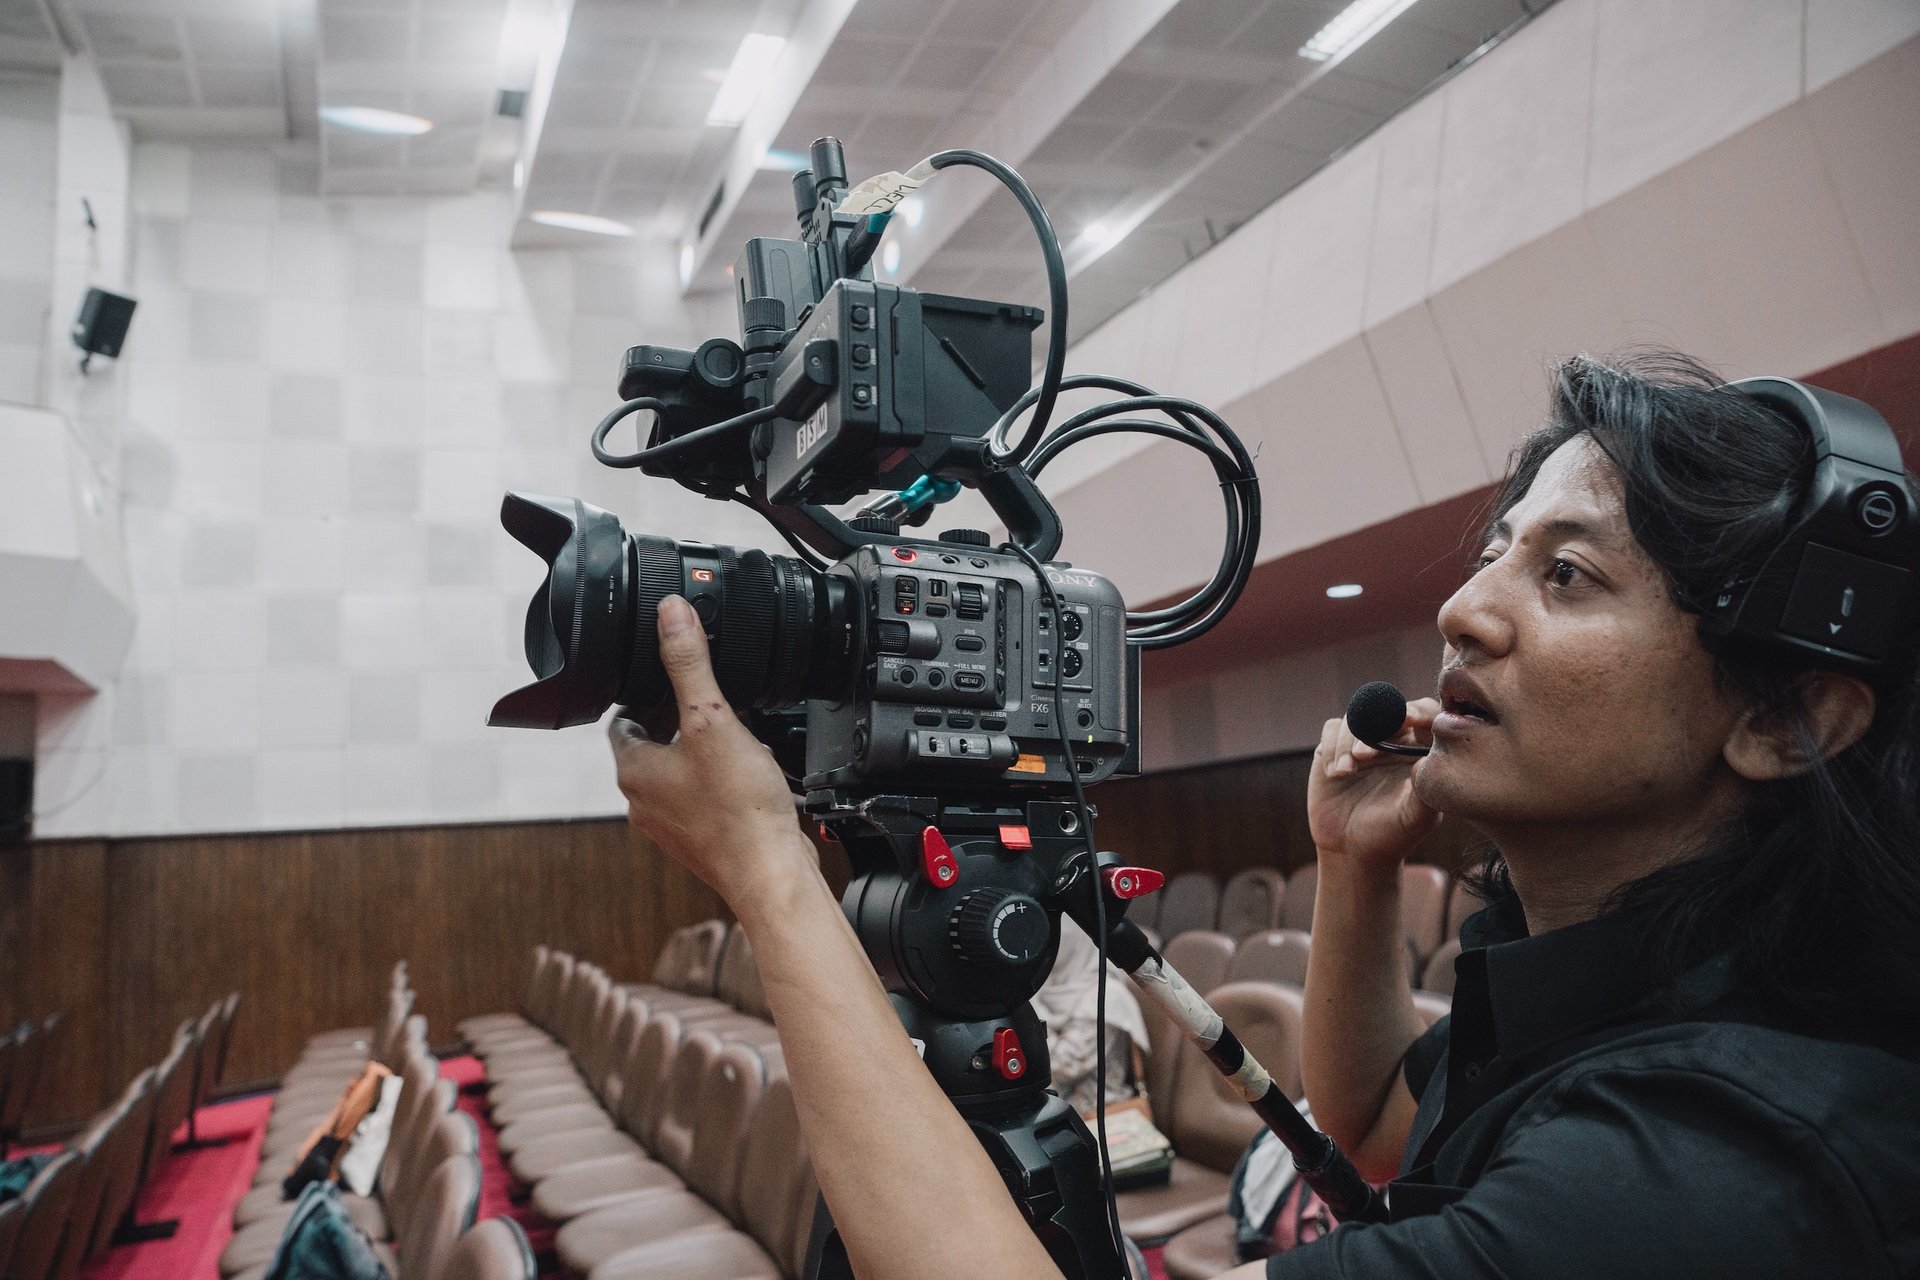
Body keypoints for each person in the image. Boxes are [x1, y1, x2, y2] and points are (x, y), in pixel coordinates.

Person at [607, 352, 1920, 1279]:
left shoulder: (1712, 1169)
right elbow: (1375, 1135)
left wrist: (771, 875)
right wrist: (1352, 866)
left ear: (1778, 719)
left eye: (1566, 574)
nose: (1468, 607)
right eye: (1498, 548)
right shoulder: (1615, 981)